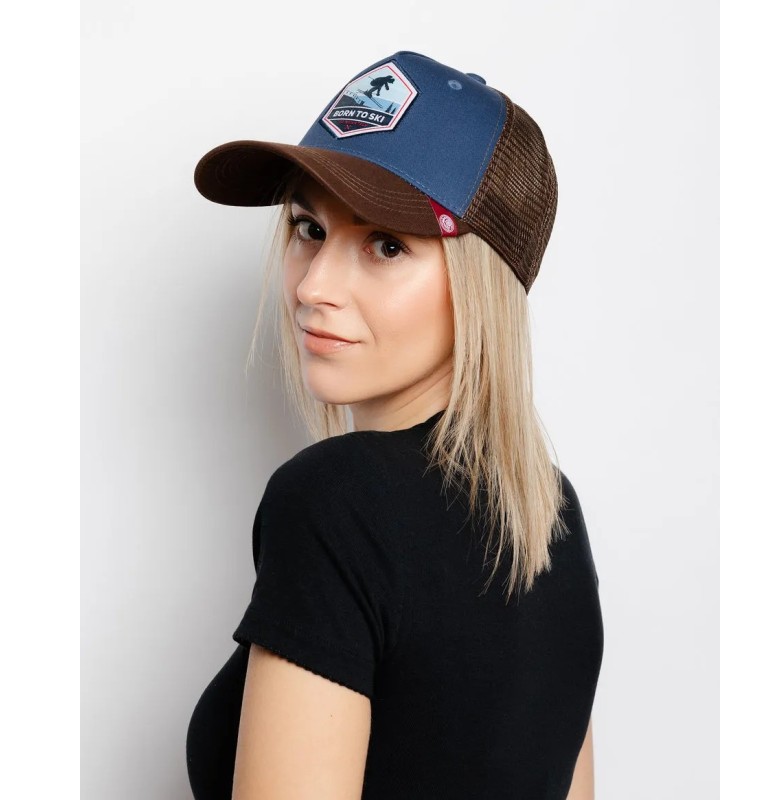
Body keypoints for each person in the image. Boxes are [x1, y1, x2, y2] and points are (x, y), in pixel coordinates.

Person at [185, 50, 603, 800]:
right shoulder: (550, 511)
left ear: (481, 285)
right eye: (308, 228)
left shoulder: (335, 500)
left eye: (386, 245)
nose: (314, 286)